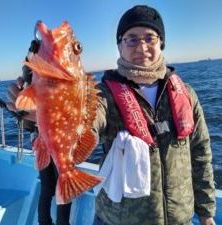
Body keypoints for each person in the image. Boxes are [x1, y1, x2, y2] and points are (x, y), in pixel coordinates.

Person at [91, 5, 216, 225]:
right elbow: (83, 124)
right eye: (131, 39)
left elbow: (201, 155)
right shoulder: (102, 95)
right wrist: (36, 113)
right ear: (120, 47)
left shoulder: (186, 93)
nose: (142, 46)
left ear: (161, 43)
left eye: (150, 38)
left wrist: (205, 213)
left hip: (180, 219)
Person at [7, 40, 71, 225]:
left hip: (40, 140)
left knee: (48, 187)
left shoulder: (31, 80)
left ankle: (45, 222)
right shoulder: (55, 78)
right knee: (61, 186)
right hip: (56, 140)